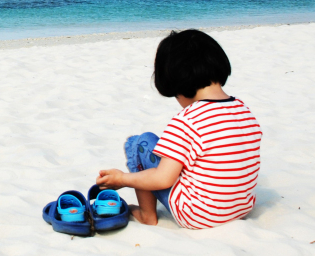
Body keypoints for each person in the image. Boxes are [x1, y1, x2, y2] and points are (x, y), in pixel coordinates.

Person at [96, 29, 262, 229]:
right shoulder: (243, 110)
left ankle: (147, 215)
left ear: (178, 83)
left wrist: (123, 179)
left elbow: (162, 178)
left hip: (199, 215)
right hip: (240, 208)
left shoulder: (188, 119)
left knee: (139, 143)